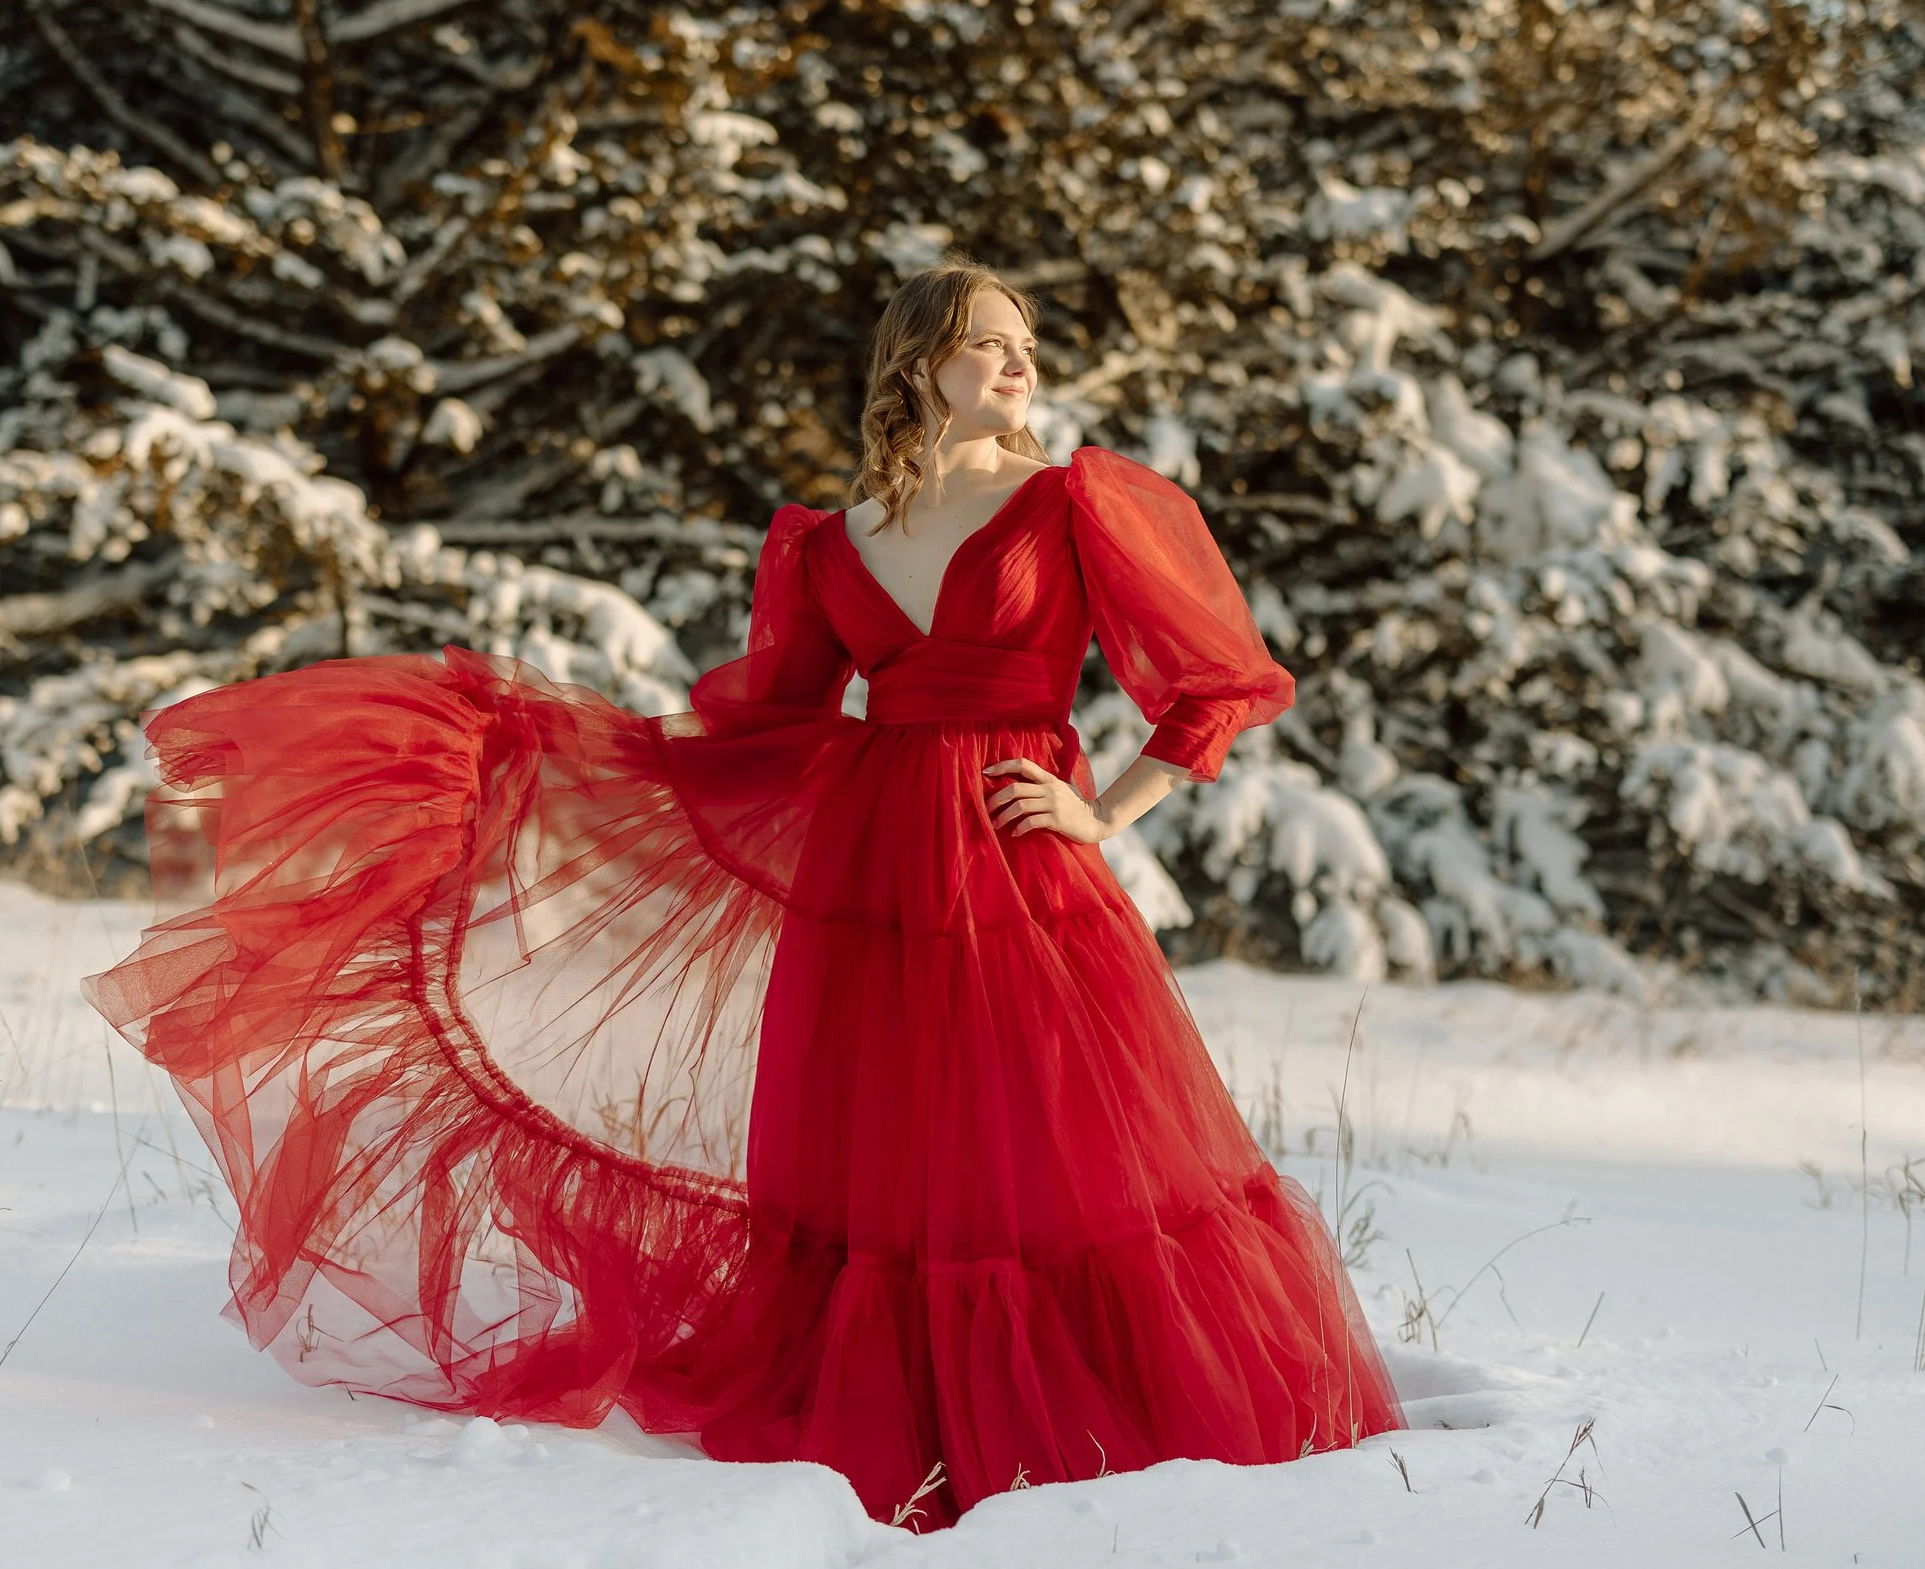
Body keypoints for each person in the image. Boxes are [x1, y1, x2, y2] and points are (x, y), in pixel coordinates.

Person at [86, 259, 1403, 1530]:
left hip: (1018, 855)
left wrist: (1103, 808)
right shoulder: (835, 540)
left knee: (1046, 1136)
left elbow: (1216, 682)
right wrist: (553, 745)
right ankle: (910, 1412)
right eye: (991, 342)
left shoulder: (1077, 503)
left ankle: (1087, 1410)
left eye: (1026, 346)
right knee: (893, 1143)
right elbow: (769, 721)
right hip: (873, 864)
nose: (1020, 364)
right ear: (921, 362)